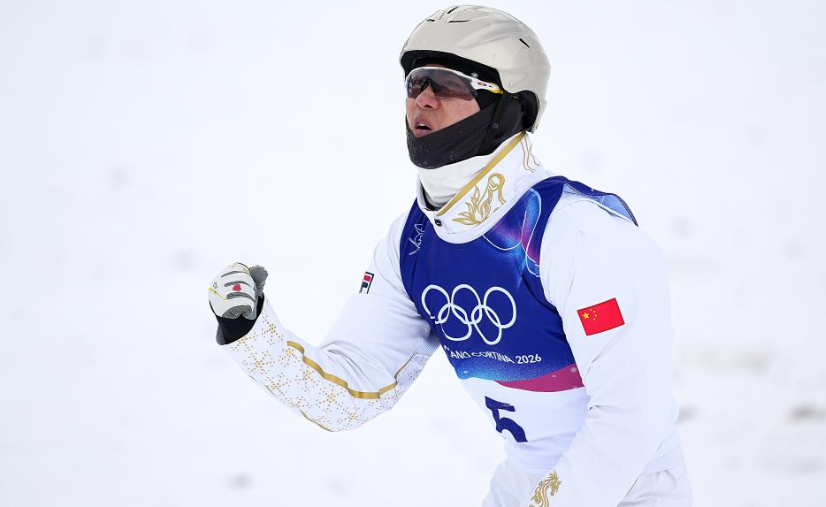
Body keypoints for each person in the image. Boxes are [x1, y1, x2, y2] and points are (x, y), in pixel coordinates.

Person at [207, 6, 692, 507]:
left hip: (631, 493)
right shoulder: (412, 244)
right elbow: (349, 394)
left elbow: (633, 416)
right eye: (415, 82)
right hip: (521, 488)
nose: (423, 98)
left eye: (447, 83)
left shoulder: (580, 234)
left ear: (507, 108)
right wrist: (252, 334)